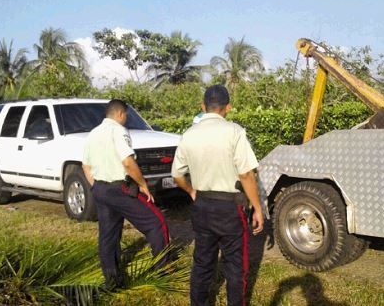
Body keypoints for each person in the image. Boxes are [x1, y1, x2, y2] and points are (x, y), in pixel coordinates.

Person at [171, 85, 264, 306]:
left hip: (202, 205)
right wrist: (257, 208)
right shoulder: (234, 132)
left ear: (203, 107)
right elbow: (246, 174)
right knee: (235, 267)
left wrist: (192, 191)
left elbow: (176, 174)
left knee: (202, 263)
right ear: (228, 108)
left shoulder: (189, 135)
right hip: (229, 209)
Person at [82, 99, 169, 289]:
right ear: (120, 114)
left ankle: (112, 280)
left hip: (100, 189)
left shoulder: (93, 133)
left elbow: (85, 165)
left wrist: (96, 187)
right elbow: (128, 162)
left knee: (108, 235)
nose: (126, 119)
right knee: (156, 222)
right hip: (119, 188)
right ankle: (162, 270)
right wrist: (143, 185)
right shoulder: (118, 131)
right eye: (126, 115)